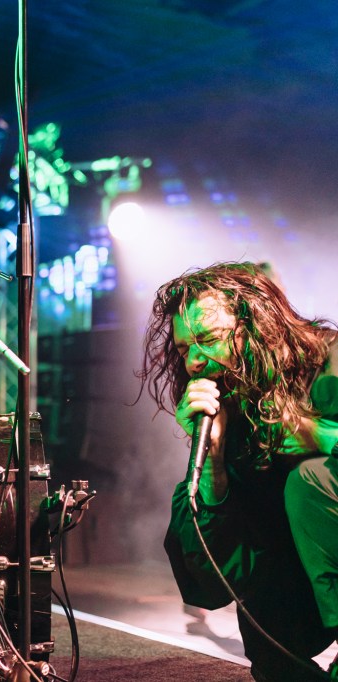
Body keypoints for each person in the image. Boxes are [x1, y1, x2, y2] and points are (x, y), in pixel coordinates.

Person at [139, 262, 338, 681]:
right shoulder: (233, 410)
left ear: (258, 326)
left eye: (207, 340)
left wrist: (316, 437)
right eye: (181, 349)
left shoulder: (329, 362)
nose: (193, 361)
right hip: (299, 592)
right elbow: (209, 583)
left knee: (310, 482)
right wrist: (211, 461)